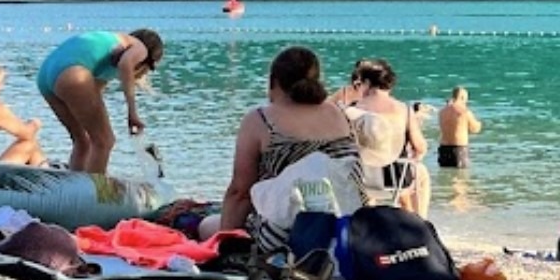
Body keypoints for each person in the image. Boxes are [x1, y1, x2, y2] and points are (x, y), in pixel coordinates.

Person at [205, 46, 363, 257]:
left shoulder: (261, 119)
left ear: (274, 81)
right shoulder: (339, 114)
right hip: (344, 229)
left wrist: (225, 244)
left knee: (206, 224)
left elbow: (240, 192)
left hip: (285, 237)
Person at [35, 28, 164, 175]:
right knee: (104, 141)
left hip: (45, 76)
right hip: (73, 72)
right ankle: (96, 193)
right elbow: (125, 65)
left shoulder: (107, 52)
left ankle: (75, 190)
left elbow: (92, 94)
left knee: (83, 142)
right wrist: (132, 113)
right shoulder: (140, 47)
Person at [342, 57, 426, 213]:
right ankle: (420, 223)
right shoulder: (404, 110)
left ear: (367, 83)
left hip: (360, 179)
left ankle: (368, 221)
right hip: (394, 178)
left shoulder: (351, 110)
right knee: (422, 174)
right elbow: (420, 147)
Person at [437, 86, 484, 167]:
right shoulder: (463, 112)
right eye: (466, 99)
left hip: (443, 149)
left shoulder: (442, 111)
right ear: (462, 97)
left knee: (445, 177)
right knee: (461, 177)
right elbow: (474, 129)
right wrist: (479, 124)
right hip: (459, 149)